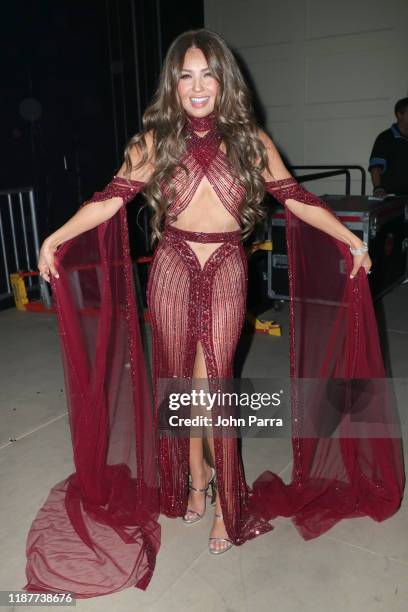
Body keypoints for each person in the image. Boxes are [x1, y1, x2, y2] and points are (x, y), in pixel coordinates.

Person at [25, 29, 404, 598]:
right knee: (182, 386)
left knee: (213, 387)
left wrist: (350, 241)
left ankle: (227, 498)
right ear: (173, 84)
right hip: (174, 265)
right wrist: (55, 236)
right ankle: (197, 479)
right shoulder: (154, 140)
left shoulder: (250, 141)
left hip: (226, 266)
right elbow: (109, 198)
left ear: (224, 80)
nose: (197, 87)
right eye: (186, 75)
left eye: (207, 74)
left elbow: (295, 196)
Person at [368, 97, 408, 197]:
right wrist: (378, 188)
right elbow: (375, 168)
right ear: (399, 115)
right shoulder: (385, 138)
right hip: (392, 198)